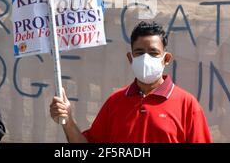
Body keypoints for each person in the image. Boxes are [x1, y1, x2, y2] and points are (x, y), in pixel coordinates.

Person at [50, 21, 212, 143]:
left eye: (153, 53)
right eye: (139, 52)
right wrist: (68, 121)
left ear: (166, 58)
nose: (146, 58)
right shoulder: (115, 102)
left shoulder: (187, 105)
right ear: (130, 58)